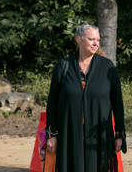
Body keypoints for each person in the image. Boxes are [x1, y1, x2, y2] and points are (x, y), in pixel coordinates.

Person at [46, 24, 126, 172]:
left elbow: (117, 103)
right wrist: (51, 134)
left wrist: (120, 134)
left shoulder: (108, 67)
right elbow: (52, 103)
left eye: (98, 39)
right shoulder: (63, 66)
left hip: (98, 135)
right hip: (69, 133)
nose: (96, 43)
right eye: (91, 39)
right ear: (79, 40)